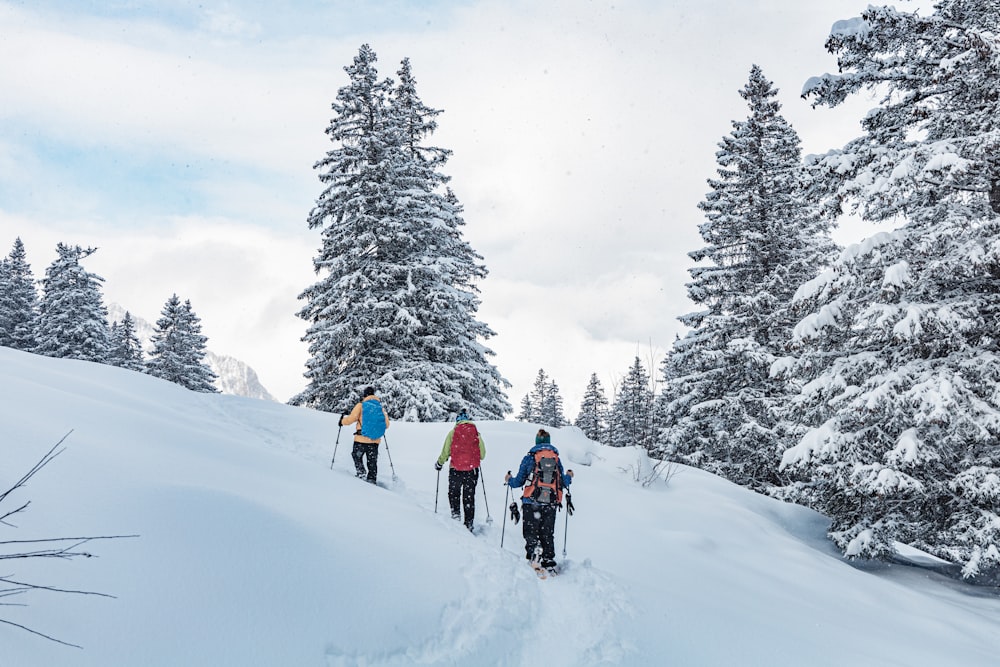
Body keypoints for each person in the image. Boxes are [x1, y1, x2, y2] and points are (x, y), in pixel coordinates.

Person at [505, 429, 574, 571]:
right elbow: (562, 482)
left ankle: (534, 552)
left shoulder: (530, 458)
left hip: (531, 501)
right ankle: (548, 559)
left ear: (536, 442)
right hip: (551, 503)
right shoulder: (556, 459)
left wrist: (509, 480)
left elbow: (519, 481)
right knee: (547, 532)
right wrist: (569, 476)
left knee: (530, 531)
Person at [435, 409, 486, 531]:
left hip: (455, 469)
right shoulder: (476, 433)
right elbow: (483, 455)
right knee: (469, 496)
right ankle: (469, 523)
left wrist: (439, 463)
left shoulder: (453, 432)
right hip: (472, 471)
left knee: (454, 493)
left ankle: (456, 515)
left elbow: (446, 452)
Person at [340, 387, 390, 484]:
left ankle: (361, 473)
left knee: (356, 456)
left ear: (365, 395)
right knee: (372, 462)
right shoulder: (380, 408)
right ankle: (371, 479)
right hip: (375, 441)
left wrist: (342, 421)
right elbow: (387, 425)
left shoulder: (361, 405)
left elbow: (351, 419)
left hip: (361, 439)